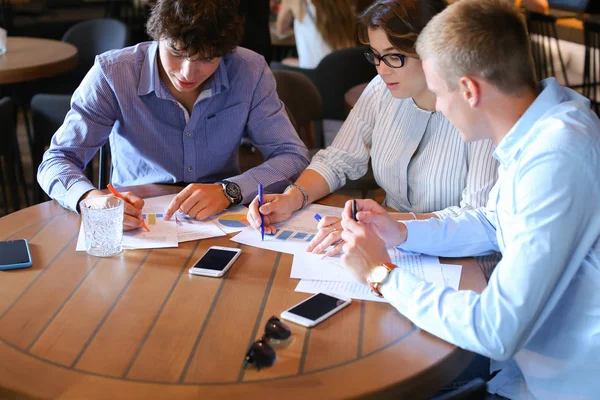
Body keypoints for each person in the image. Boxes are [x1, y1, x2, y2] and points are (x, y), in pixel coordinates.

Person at [339, 0, 600, 398]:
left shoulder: (555, 158)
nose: (437, 107)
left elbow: (496, 331)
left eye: (438, 93)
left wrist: (382, 275)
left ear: (468, 90)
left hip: (560, 386)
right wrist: (400, 232)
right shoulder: (544, 125)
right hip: (527, 369)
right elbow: (493, 222)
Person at [248, 0, 498, 259]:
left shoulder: (476, 108)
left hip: (459, 256)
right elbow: (338, 159)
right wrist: (293, 197)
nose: (382, 69)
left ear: (433, 50)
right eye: (376, 56)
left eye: (393, 56)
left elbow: (478, 217)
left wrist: (388, 224)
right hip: (391, 244)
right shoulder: (382, 88)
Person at [38, 0, 310, 231]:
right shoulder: (113, 73)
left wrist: (230, 190)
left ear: (225, 52)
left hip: (220, 218)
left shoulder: (248, 71)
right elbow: (57, 159)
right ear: (158, 36)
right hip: (134, 219)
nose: (187, 74)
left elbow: (292, 155)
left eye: (207, 59)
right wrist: (90, 198)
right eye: (176, 53)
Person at [275, 0, 358, 68]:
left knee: (283, 63)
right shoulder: (344, 3)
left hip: (315, 74)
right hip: (345, 68)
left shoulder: (296, 2)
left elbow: (281, 29)